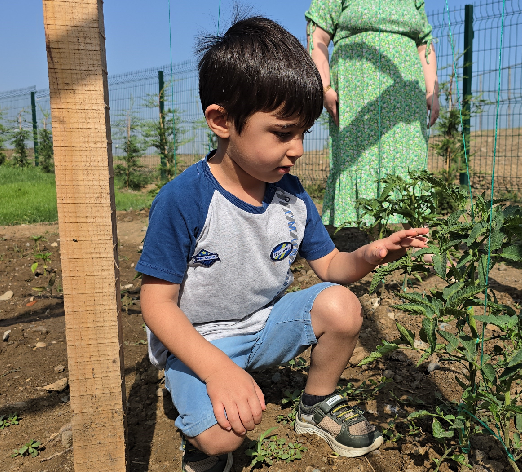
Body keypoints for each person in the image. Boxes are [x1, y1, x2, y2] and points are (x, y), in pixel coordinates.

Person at [136, 17, 429, 472]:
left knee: (342, 306)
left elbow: (330, 265)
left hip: (267, 326)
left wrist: (371, 254)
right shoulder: (184, 200)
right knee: (221, 438)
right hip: (200, 340)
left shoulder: (291, 196)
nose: (297, 150)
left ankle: (316, 403)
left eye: (303, 134)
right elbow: (157, 305)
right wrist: (217, 370)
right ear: (222, 121)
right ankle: (199, 428)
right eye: (281, 132)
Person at [305, 0, 439, 228]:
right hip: (357, 92)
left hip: (406, 96)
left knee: (409, 159)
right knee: (356, 158)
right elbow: (317, 36)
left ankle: (418, 237)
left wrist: (431, 92)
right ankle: (356, 238)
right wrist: (324, 86)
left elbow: (424, 44)